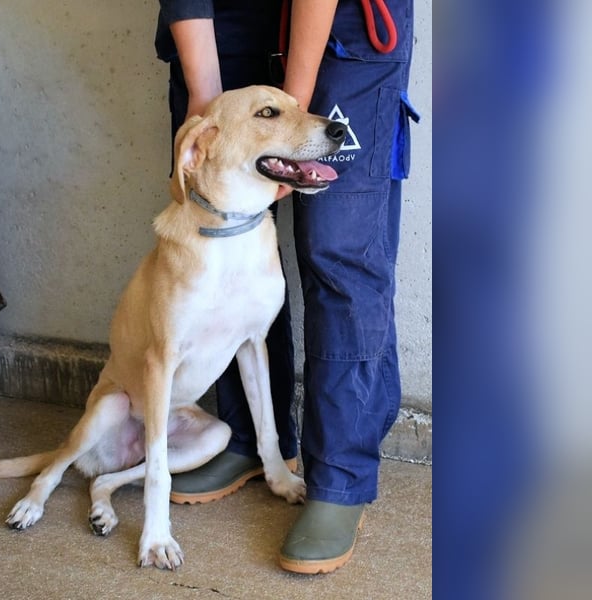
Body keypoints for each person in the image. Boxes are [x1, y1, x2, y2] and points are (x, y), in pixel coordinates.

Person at [154, 0, 418, 574]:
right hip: (224, 22)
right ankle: (252, 441)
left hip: (346, 26)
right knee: (219, 236)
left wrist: (287, 122)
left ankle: (339, 479)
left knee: (338, 252)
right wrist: (208, 104)